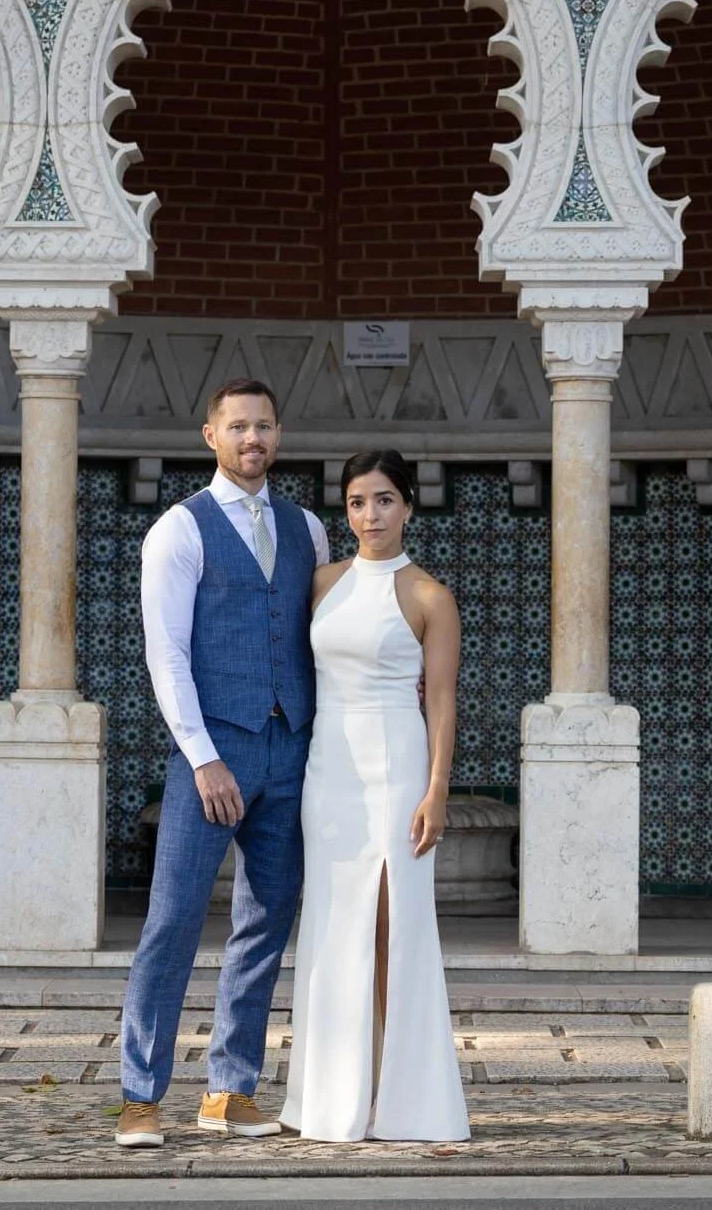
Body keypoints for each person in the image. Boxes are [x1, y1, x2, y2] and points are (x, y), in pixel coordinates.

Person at [116, 377, 330, 1148]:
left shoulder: (310, 527)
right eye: (237, 426)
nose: (253, 439)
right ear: (210, 433)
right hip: (212, 751)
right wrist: (202, 756)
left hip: (291, 748)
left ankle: (229, 1088)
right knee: (172, 919)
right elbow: (166, 653)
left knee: (266, 919)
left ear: (279, 433)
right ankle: (141, 1095)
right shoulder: (179, 529)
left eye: (264, 426)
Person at [281, 448, 469, 1142]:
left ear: (409, 505)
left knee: (393, 927)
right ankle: (331, 1099)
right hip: (328, 769)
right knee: (333, 926)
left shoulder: (430, 596)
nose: (371, 514)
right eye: (359, 501)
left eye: (385, 499)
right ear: (346, 509)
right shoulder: (322, 582)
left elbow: (442, 698)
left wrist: (437, 787)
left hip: (398, 761)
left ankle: (403, 1098)